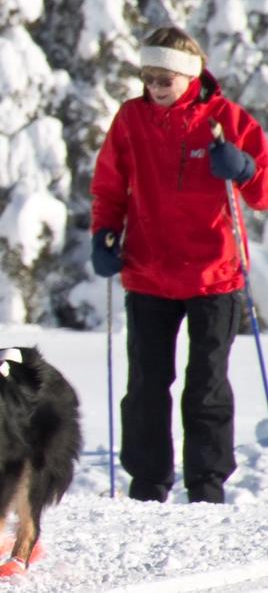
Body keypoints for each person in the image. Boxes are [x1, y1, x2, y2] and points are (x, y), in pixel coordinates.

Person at [90, 26, 268, 504]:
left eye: (163, 76)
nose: (154, 86)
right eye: (147, 76)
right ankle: (147, 485)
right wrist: (104, 234)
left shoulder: (225, 119)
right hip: (148, 271)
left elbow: (264, 190)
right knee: (147, 384)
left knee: (206, 384)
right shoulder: (131, 119)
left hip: (215, 275)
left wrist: (246, 169)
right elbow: (109, 186)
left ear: (188, 75)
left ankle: (206, 486)